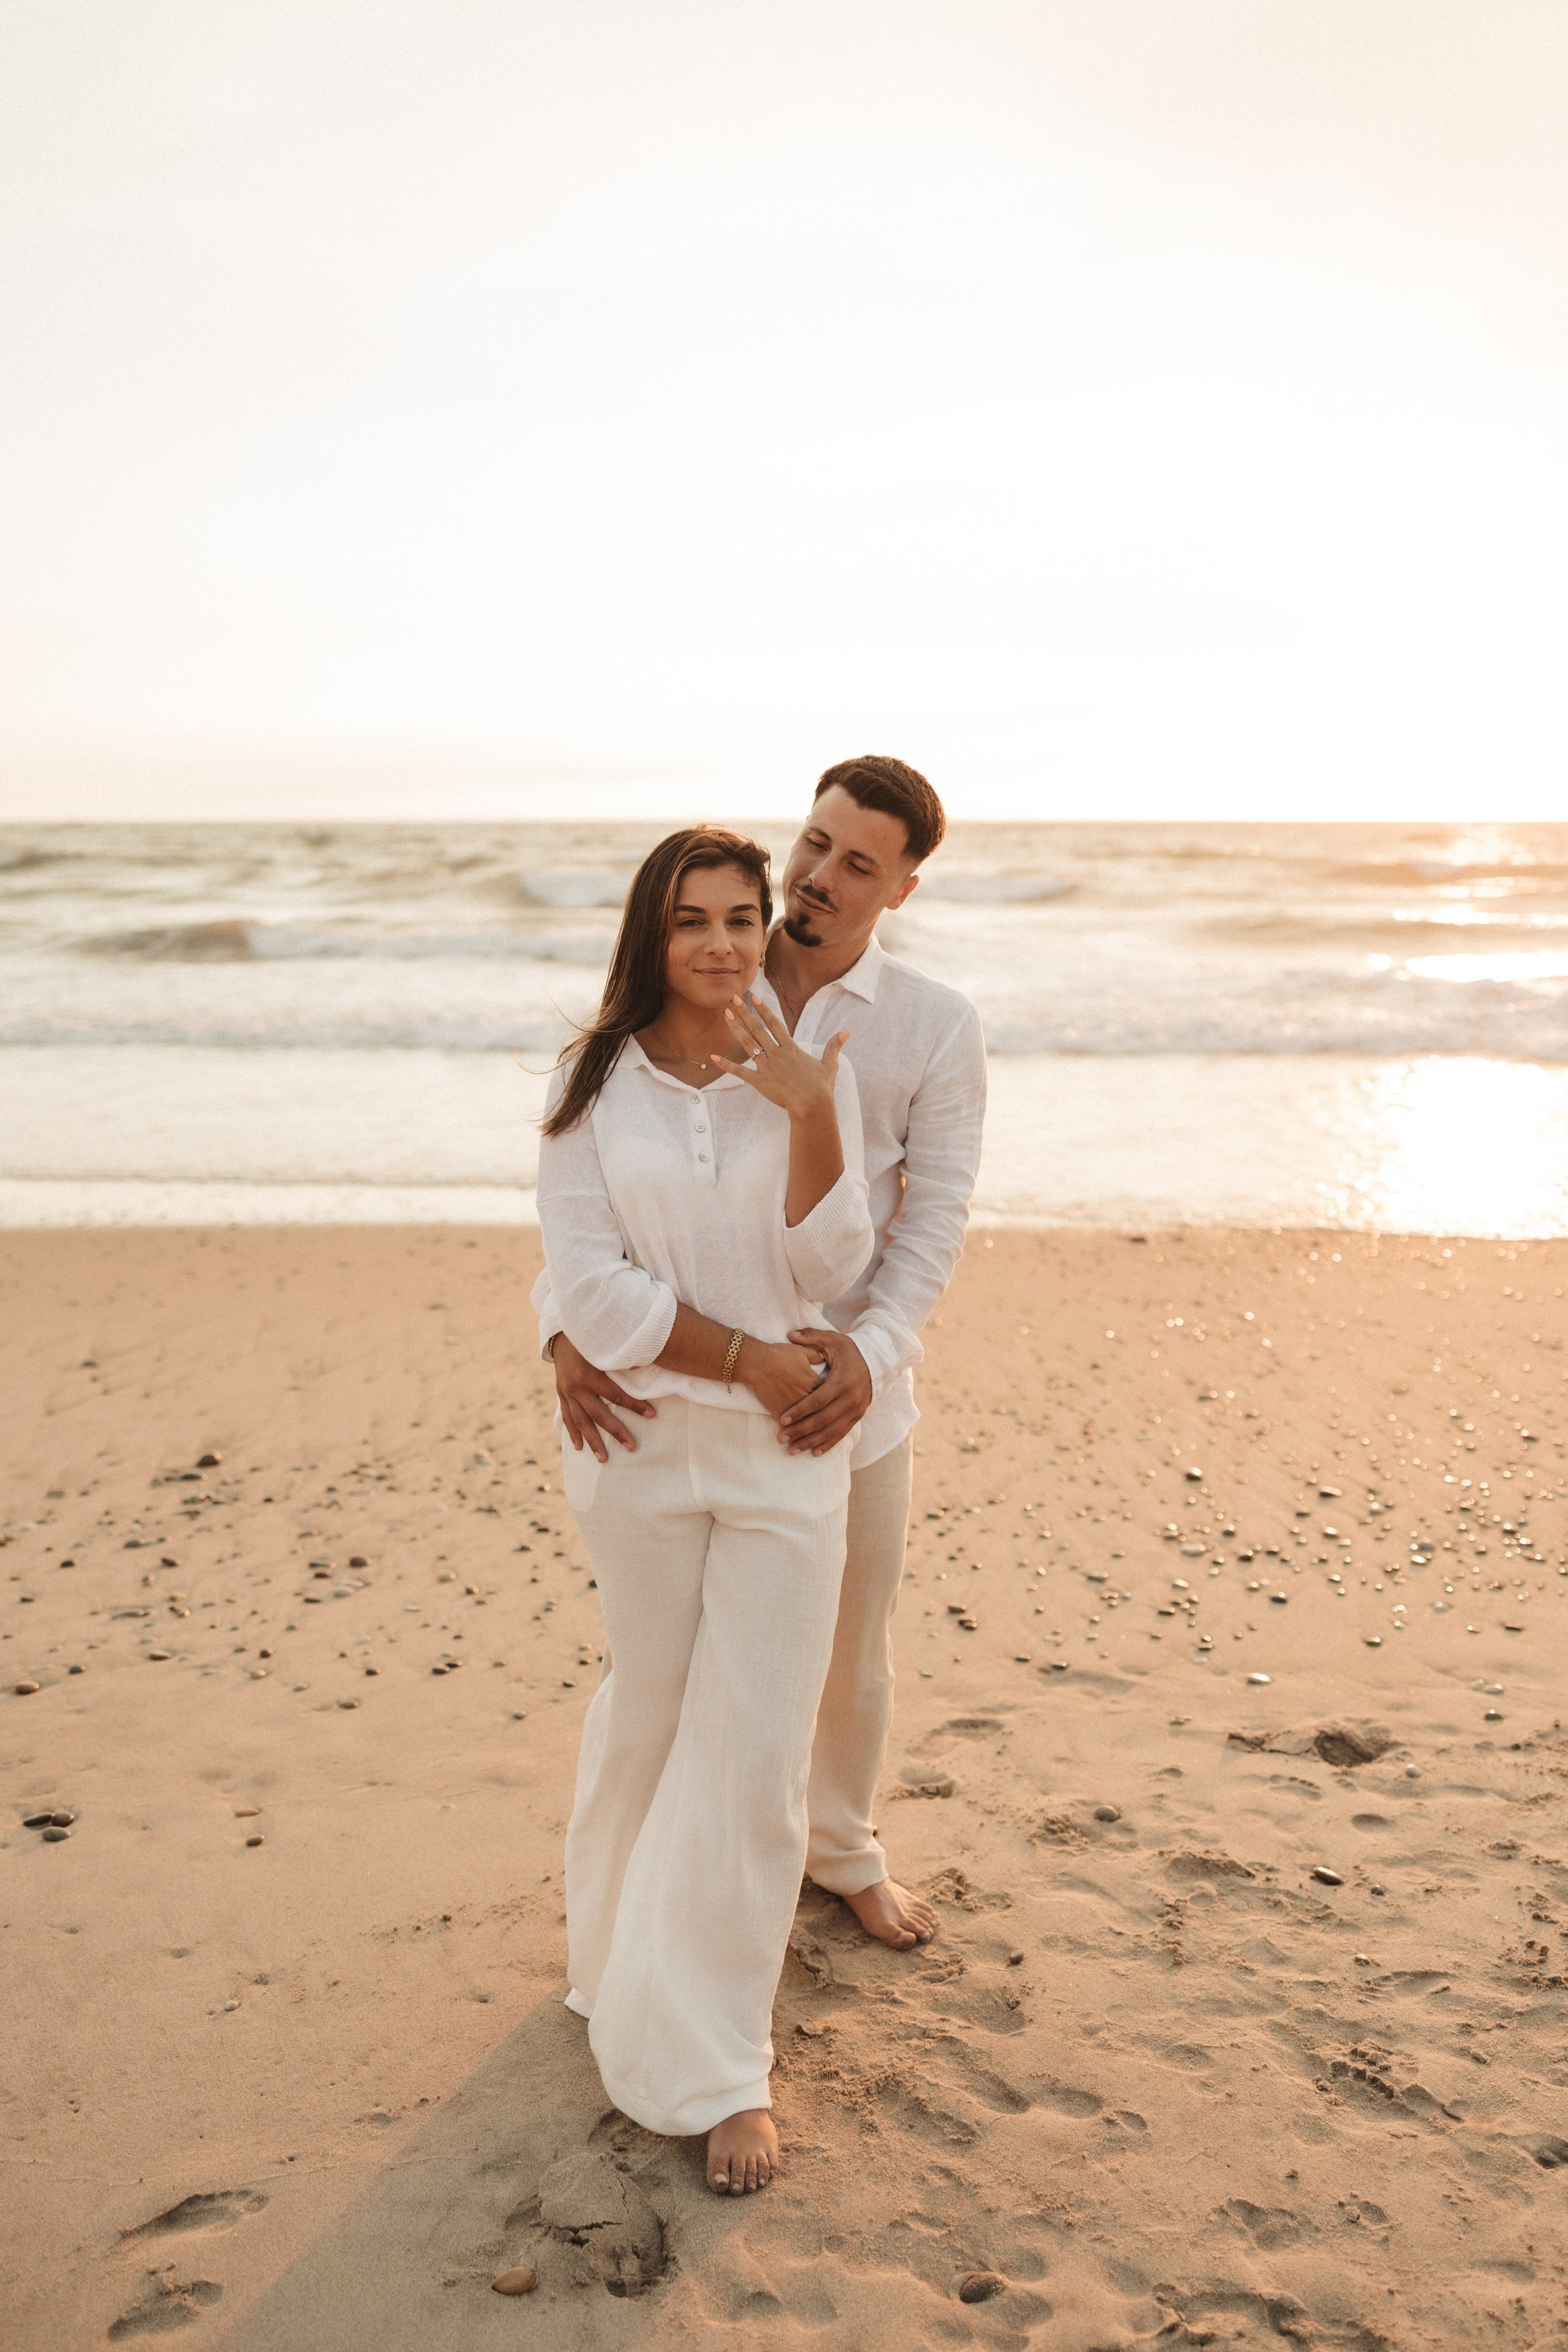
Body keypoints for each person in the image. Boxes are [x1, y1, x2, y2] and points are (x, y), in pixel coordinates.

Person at [540, 756, 987, 1956]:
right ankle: (670, 1886)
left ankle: (839, 1852)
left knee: (848, 1648)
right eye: (813, 842)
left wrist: (870, 1356)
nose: (818, 877)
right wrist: (559, 1325)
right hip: (682, 1381)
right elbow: (602, 1165)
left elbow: (932, 1224)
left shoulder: (932, 1028)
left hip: (850, 1393)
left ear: (899, 892)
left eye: (857, 863)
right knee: (677, 1664)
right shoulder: (706, 969)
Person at [535, 824, 874, 2196]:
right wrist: (737, 1354)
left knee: (749, 1750)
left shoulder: (794, 1074)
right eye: (693, 921)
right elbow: (592, 1292)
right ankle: (612, 1956)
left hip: (787, 1460)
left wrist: (806, 1113)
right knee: (651, 1711)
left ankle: (725, 2064)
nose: (724, 944)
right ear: (650, 934)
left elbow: (828, 1263)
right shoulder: (591, 1078)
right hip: (639, 1451)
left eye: (743, 917)